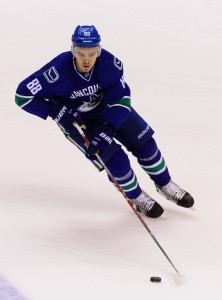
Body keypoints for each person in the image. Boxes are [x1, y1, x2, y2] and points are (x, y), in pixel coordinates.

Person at [15, 25, 194, 218]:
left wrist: (109, 127)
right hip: (79, 122)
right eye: (80, 53)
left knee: (145, 144)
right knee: (116, 162)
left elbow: (121, 99)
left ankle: (165, 184)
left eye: (92, 53)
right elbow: (22, 96)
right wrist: (54, 110)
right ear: (73, 50)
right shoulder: (57, 70)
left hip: (108, 110)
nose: (86, 60)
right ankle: (136, 196)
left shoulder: (110, 64)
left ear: (98, 50)